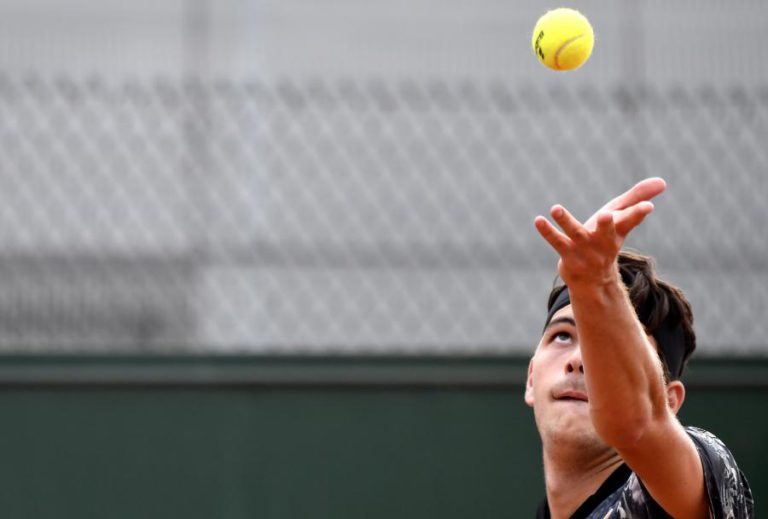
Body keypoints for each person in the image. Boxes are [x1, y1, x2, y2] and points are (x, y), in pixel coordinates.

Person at [526, 178, 754, 518]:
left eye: (603, 347)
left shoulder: (694, 482)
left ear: (670, 401)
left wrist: (597, 283)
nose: (578, 360)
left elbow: (636, 423)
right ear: (530, 377)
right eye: (562, 336)